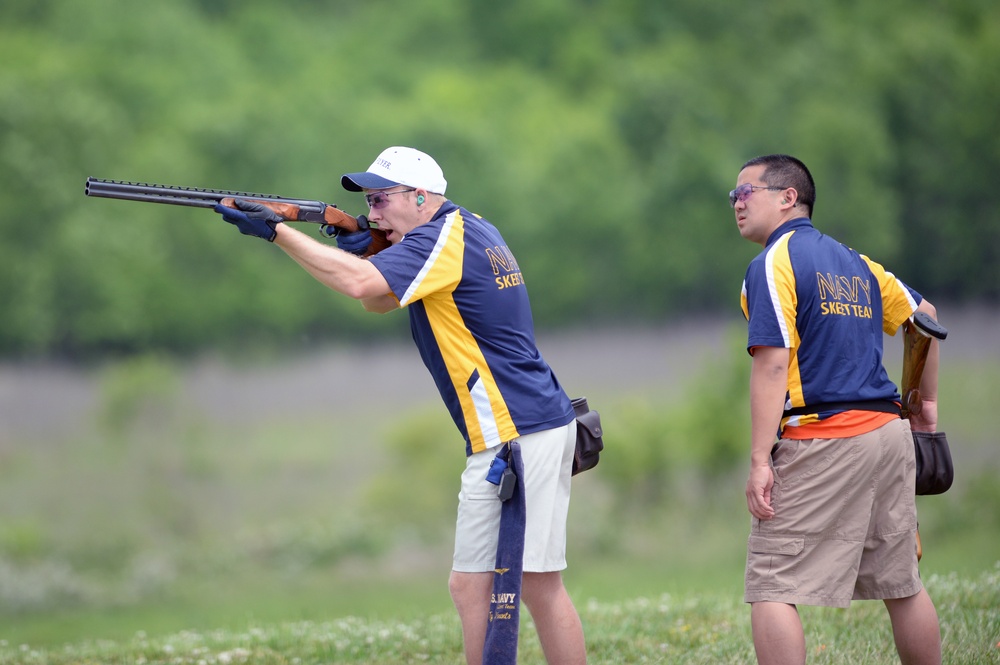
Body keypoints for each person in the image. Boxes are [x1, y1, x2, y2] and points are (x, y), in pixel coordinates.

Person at [214, 146, 587, 665]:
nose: (372, 213)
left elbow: (358, 285)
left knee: (513, 585)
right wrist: (363, 248)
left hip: (515, 430)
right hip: (522, 424)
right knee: (502, 586)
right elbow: (377, 298)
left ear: (421, 197)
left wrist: (277, 233)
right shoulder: (467, 227)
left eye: (381, 199)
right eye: (368, 201)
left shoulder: (439, 238)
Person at [731, 154, 942, 665]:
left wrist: (761, 461)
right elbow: (926, 317)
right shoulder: (855, 262)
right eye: (732, 196)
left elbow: (772, 364)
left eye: (746, 192)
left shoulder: (774, 262)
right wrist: (926, 404)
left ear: (788, 197)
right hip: (888, 436)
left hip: (822, 435)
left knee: (773, 583)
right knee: (902, 582)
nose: (736, 203)